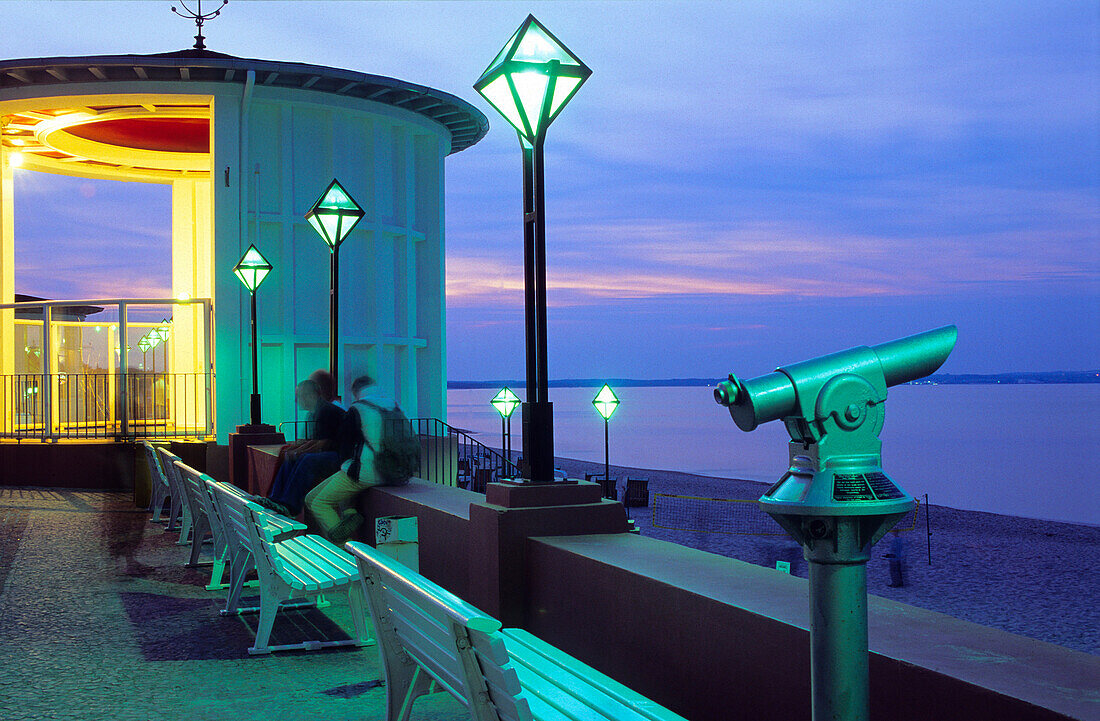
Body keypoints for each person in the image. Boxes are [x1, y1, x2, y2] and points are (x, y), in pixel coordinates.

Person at [305, 375, 410, 544]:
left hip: (368, 472)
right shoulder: (394, 406)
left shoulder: (357, 409)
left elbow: (345, 446)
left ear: (356, 392)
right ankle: (349, 513)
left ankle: (345, 553)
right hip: (394, 471)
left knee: (319, 503)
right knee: (311, 498)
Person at [259, 378, 345, 516]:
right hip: (328, 454)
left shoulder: (326, 411)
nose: (297, 400)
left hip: (341, 457)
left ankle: (290, 505)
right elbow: (313, 441)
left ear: (311, 395)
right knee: (290, 456)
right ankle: (275, 499)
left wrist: (299, 452)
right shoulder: (314, 412)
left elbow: (324, 443)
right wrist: (295, 451)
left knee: (306, 459)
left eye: (299, 396)